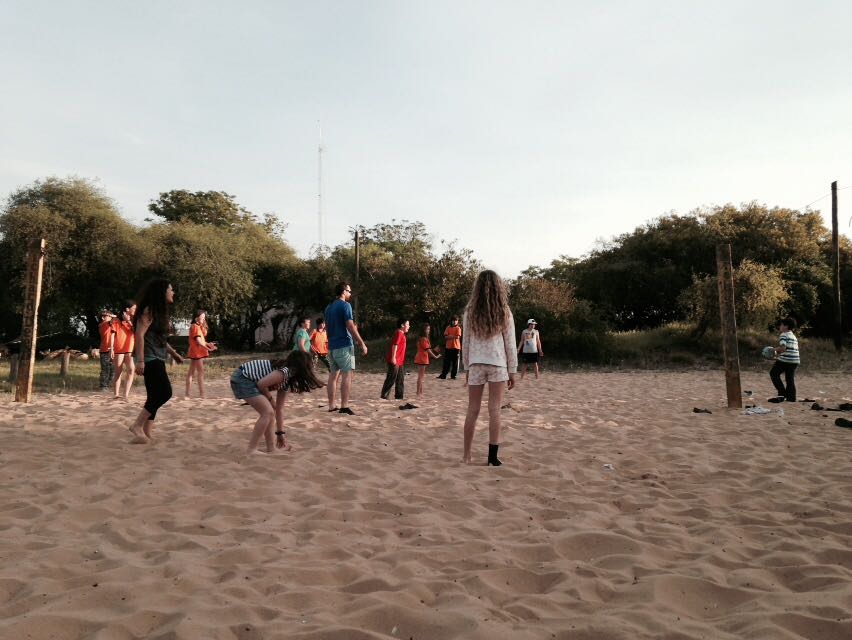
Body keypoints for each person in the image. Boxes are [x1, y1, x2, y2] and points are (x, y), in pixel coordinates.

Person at [461, 270, 517, 466]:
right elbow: (510, 343)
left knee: (473, 409)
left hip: (476, 363)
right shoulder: (504, 311)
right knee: (495, 410)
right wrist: (512, 370)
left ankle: (467, 455)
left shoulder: (470, 311)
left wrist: (466, 367)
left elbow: (465, 341)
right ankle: (492, 457)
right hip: (498, 363)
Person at [230, 350, 324, 456]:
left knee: (270, 412)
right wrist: (271, 400)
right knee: (267, 412)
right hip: (243, 378)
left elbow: (279, 409)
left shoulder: (288, 380)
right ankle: (251, 449)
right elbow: (261, 384)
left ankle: (271, 448)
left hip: (248, 379)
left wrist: (280, 433)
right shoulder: (285, 372)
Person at [127, 279, 184, 444]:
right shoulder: (149, 310)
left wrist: (174, 354)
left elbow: (160, 339)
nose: (173, 292)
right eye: (170, 289)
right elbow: (139, 335)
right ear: (162, 292)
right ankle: (137, 425)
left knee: (153, 396)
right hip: (150, 358)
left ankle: (146, 433)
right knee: (165, 393)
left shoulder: (158, 312)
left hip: (158, 356)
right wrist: (140, 361)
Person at [324, 282, 368, 415]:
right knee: (347, 375)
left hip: (332, 346)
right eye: (349, 291)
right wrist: (361, 342)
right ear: (343, 292)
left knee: (333, 376)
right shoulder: (345, 305)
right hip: (344, 344)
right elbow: (350, 325)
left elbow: (327, 327)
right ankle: (344, 406)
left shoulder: (328, 307)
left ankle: (332, 405)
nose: (350, 293)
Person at [186, 309, 217, 398]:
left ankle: (187, 394)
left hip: (195, 352)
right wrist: (209, 349)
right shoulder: (195, 327)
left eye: (204, 318)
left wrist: (208, 344)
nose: (203, 319)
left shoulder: (197, 326)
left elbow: (201, 341)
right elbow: (199, 342)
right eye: (202, 317)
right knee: (200, 372)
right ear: (196, 318)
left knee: (191, 373)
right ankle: (202, 394)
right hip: (197, 353)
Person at [768, 316, 800, 403]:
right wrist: (777, 354)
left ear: (786, 326)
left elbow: (783, 348)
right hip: (795, 360)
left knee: (773, 373)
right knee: (790, 379)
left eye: (781, 325)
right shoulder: (793, 336)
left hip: (786, 360)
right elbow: (788, 349)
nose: (780, 326)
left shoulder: (783, 335)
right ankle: (791, 397)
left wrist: (773, 350)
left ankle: (782, 394)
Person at [112, 302, 137, 399]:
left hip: (130, 348)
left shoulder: (135, 320)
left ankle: (125, 395)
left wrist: (128, 321)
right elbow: (112, 335)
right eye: (133, 308)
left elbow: (137, 332)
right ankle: (116, 394)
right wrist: (111, 349)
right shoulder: (116, 320)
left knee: (131, 369)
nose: (135, 310)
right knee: (118, 372)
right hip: (119, 349)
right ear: (127, 309)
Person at [380, 318, 410, 400]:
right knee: (391, 378)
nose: (409, 326)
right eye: (407, 324)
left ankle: (399, 397)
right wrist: (393, 358)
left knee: (400, 379)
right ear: (402, 325)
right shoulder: (399, 333)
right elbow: (395, 345)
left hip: (400, 361)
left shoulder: (402, 334)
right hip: (395, 360)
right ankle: (384, 396)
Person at [414, 323, 442, 397]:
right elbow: (428, 350)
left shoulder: (421, 338)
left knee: (421, 376)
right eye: (427, 329)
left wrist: (434, 350)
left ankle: (420, 392)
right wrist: (435, 356)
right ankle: (418, 393)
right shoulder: (424, 339)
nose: (428, 331)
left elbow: (426, 349)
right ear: (424, 330)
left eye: (429, 329)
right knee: (421, 376)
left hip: (421, 357)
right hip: (422, 358)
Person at [97, 309, 116, 391]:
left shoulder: (112, 325)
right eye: (108, 316)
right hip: (105, 350)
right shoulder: (103, 324)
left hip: (113, 350)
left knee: (113, 370)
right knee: (105, 369)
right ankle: (103, 386)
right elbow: (115, 318)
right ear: (103, 318)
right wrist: (113, 316)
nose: (110, 318)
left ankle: (109, 385)